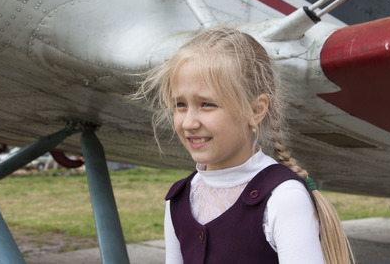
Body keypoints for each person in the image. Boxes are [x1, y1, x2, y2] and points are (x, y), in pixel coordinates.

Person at [135, 27, 354, 263]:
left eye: (207, 104)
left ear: (256, 110)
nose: (188, 122)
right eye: (180, 104)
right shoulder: (178, 200)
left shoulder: (284, 198)